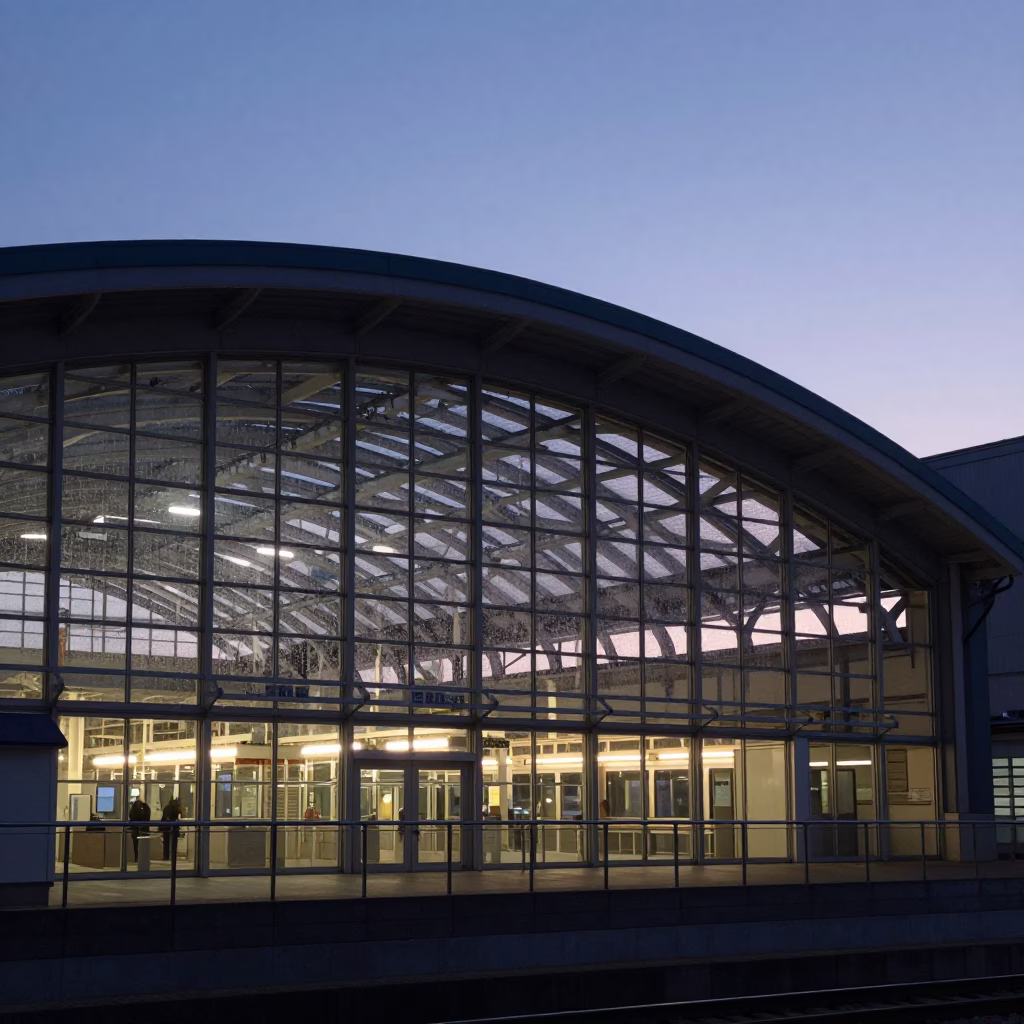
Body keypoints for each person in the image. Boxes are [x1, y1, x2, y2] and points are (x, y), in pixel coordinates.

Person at [128, 795, 151, 860]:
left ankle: (137, 858)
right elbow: (147, 815)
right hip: (144, 829)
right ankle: (143, 858)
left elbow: (131, 815)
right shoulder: (145, 808)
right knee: (144, 845)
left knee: (136, 845)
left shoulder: (134, 808)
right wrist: (144, 803)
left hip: (135, 829)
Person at [160, 796, 182, 860]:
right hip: (174, 827)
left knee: (166, 842)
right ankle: (173, 856)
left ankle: (166, 856)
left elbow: (166, 817)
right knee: (174, 843)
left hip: (166, 827)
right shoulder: (176, 807)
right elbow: (178, 814)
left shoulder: (167, 808)